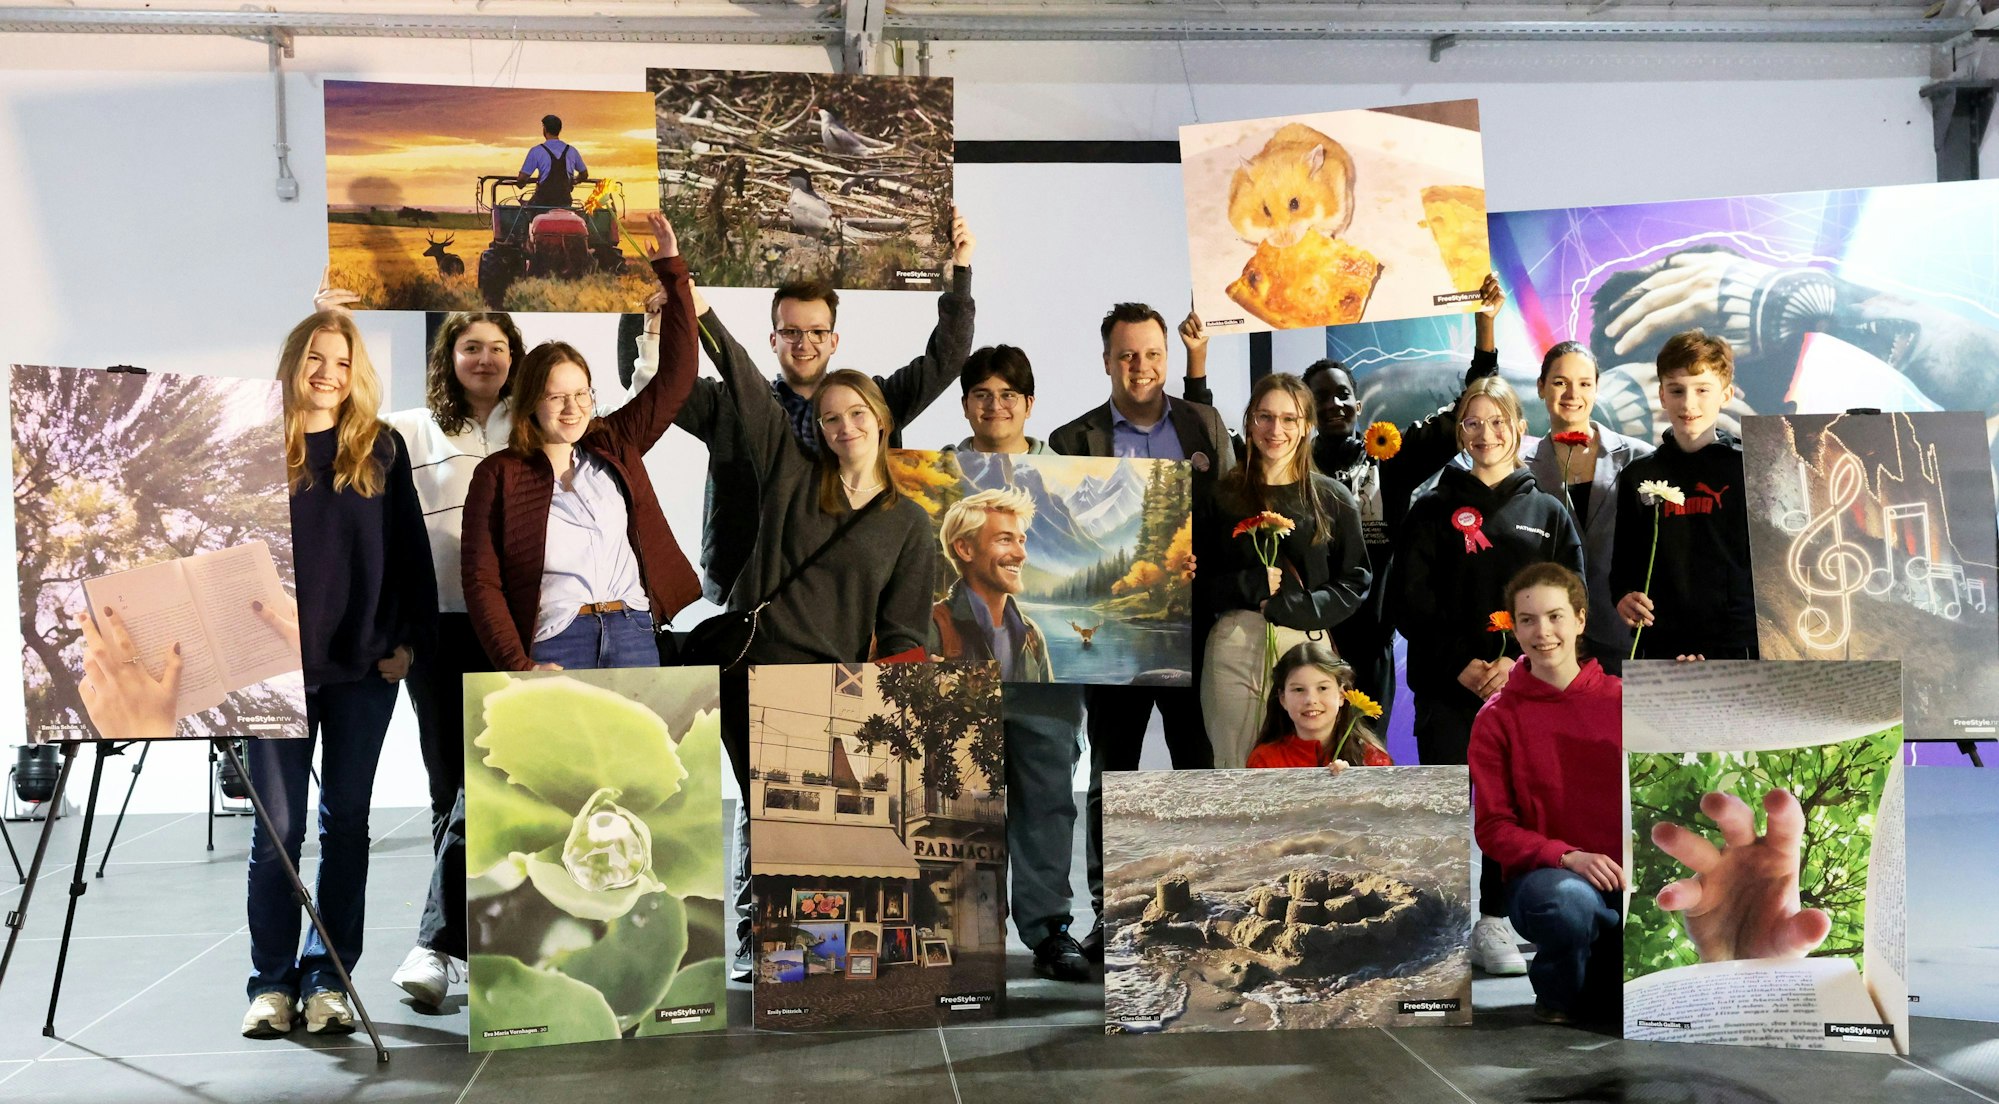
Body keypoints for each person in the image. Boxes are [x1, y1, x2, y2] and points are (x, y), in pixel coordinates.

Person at [242, 311, 437, 1039]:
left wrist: (410, 644)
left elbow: (411, 553)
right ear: (294, 362)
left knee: (346, 823)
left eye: (341, 360)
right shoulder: (255, 443)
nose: (327, 372)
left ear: (357, 373)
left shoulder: (379, 447)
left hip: (362, 668)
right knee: (279, 832)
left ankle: (328, 977)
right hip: (272, 675)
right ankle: (269, 983)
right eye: (316, 357)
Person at [666, 209, 977, 606]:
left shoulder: (873, 404)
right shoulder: (730, 405)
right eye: (791, 332)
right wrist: (652, 284)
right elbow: (653, 382)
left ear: (834, 341)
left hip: (853, 589)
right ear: (772, 340)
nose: (804, 343)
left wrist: (960, 271)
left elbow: (945, 361)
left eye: (817, 332)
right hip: (755, 592)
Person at [1050, 300, 1235, 963]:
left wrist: (1200, 565)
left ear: (1167, 357)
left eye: (1151, 354)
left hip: (1190, 631)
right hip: (1116, 637)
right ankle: (1112, 914)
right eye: (1126, 354)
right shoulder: (1071, 442)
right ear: (1105, 361)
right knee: (1112, 776)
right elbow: (1068, 547)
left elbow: (1226, 518)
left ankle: (1206, 904)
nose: (1140, 366)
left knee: (1197, 769)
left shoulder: (1202, 425)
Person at [1392, 374, 1583, 977]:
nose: (1485, 434)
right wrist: (1461, 664)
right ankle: (1438, 930)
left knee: (1511, 811)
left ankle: (1495, 922)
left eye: (1497, 422)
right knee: (1449, 805)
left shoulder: (1548, 510)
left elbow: (1571, 603)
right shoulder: (1430, 509)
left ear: (1520, 429)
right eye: (1472, 423)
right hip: (1449, 686)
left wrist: (1519, 665)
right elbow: (1409, 603)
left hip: (1524, 687)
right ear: (1459, 432)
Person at [462, 213, 699, 673]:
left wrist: (673, 269)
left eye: (581, 394)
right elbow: (481, 580)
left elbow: (676, 379)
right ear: (531, 401)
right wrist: (517, 662)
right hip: (556, 640)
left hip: (631, 630)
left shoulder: (615, 442)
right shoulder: (499, 474)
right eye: (556, 396)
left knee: (642, 748)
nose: (572, 408)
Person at [936, 344, 1091, 983]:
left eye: (1008, 396)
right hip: (960, 672)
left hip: (1042, 677)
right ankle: (970, 937)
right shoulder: (940, 476)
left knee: (1048, 798)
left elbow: (1086, 563)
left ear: (1029, 405)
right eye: (981, 395)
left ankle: (1049, 930)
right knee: (962, 802)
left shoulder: (1067, 478)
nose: (995, 407)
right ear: (966, 403)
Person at [1306, 274, 1504, 724]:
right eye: (1320, 397)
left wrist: (1485, 329)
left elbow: (1464, 414)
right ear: (1304, 409)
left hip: (1372, 642)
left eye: (1342, 395)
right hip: (1308, 641)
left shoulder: (1389, 458)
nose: (1334, 404)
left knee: (1370, 760)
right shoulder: (1292, 470)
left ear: (1359, 406)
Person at [1469, 562, 1624, 1025]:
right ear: (1513, 627)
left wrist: (1690, 690)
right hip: (1549, 881)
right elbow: (1494, 829)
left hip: (1634, 877)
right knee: (1566, 904)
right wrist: (1567, 856)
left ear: (1580, 619)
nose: (1543, 632)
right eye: (1528, 619)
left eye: (1556, 616)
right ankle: (1559, 989)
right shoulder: (1496, 718)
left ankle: (1603, 959)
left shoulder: (1626, 700)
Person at [1194, 373, 1369, 768]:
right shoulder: (1223, 496)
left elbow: (1356, 580)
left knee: (1307, 770)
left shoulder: (1332, 498)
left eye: (1290, 419)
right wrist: (1245, 586)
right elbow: (1195, 584)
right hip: (1235, 646)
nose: (1277, 430)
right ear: (1249, 422)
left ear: (1307, 425)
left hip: (1307, 647)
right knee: (1237, 771)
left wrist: (1301, 607)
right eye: (1265, 417)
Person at [1610, 330, 1756, 661]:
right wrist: (1623, 597)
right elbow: (1623, 568)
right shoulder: (1637, 475)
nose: (1688, 404)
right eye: (1677, 390)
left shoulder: (1748, 469)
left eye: (1702, 390)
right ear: (1662, 395)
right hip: (1659, 644)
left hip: (1737, 647)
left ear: (1726, 394)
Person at [1513, 331, 1652, 675]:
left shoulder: (1640, 459)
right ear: (1541, 387)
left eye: (1585, 384)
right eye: (1560, 382)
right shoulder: (1518, 466)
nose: (1573, 395)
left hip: (1626, 636)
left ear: (1596, 388)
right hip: (1550, 644)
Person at [1246, 642, 1388, 770]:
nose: (1311, 700)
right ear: (1283, 699)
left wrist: (1350, 785)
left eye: (1322, 688)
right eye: (1299, 690)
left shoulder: (1371, 758)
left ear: (1341, 695)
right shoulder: (1264, 760)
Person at [518, 113, 586, 210]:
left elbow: (522, 178)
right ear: (559, 130)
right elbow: (584, 174)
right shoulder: (571, 151)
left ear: (544, 129)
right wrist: (574, 180)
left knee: (526, 211)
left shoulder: (536, 151)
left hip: (542, 203)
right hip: (564, 202)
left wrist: (521, 183)